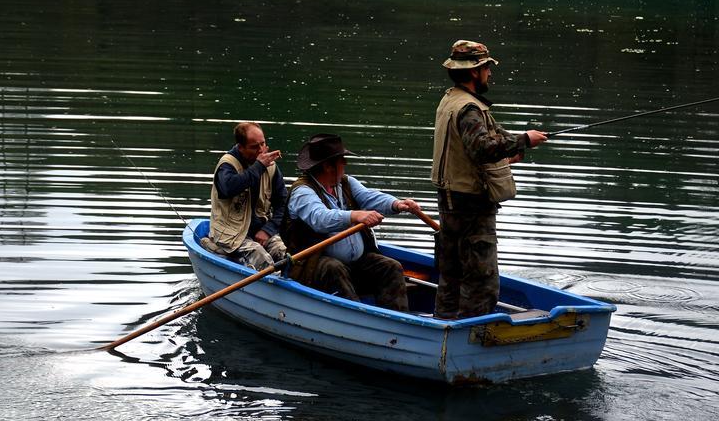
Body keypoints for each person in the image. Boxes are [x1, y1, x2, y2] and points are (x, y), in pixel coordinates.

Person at [431, 40, 548, 319]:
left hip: (452, 200)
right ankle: (473, 336)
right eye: (486, 68)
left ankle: (444, 326)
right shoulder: (470, 108)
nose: (489, 73)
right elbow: (481, 147)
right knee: (481, 280)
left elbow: (466, 151)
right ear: (474, 71)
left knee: (452, 274)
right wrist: (524, 139)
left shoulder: (450, 99)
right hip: (471, 204)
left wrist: (509, 153)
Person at [285, 133, 421, 311]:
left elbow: (370, 197)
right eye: (342, 160)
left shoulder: (345, 183)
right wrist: (354, 216)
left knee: (391, 266)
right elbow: (320, 219)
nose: (345, 164)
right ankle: (359, 320)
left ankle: (397, 320)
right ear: (328, 166)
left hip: (354, 263)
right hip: (312, 266)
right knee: (334, 268)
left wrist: (397, 204)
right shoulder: (302, 192)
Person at [201, 121, 288, 270]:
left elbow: (283, 203)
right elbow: (228, 188)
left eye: (263, 144)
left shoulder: (271, 167)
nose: (261, 151)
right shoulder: (227, 165)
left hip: (261, 231)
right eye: (255, 147)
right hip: (230, 235)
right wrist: (258, 167)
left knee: (286, 254)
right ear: (240, 148)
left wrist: (268, 229)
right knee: (261, 257)